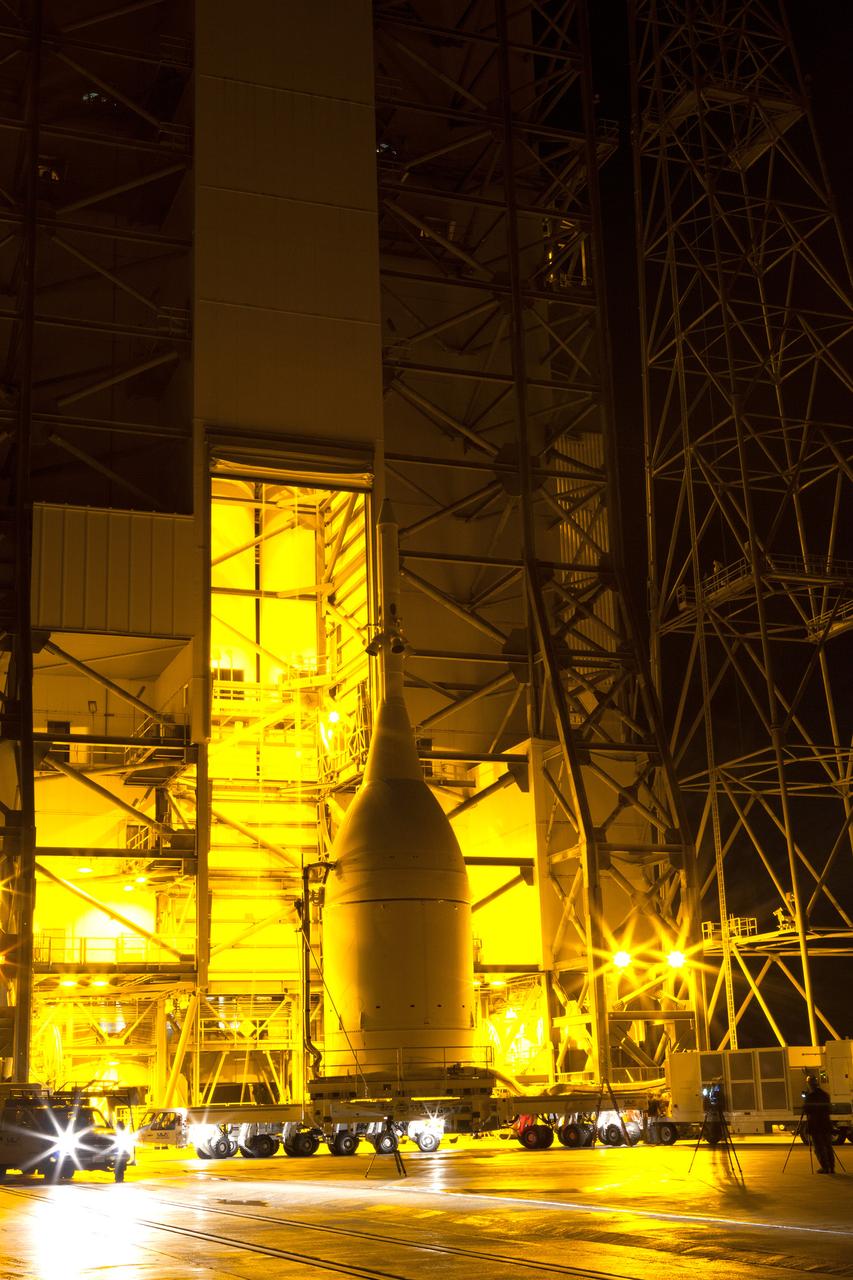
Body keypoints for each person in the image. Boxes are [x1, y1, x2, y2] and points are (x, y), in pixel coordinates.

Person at [802, 1075, 835, 1174]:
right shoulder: (825, 1095)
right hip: (826, 1124)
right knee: (828, 1146)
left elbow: (806, 1110)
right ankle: (831, 1167)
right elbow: (829, 1109)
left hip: (815, 1126)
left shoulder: (810, 1097)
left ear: (809, 1084)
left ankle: (825, 1167)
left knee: (819, 1147)